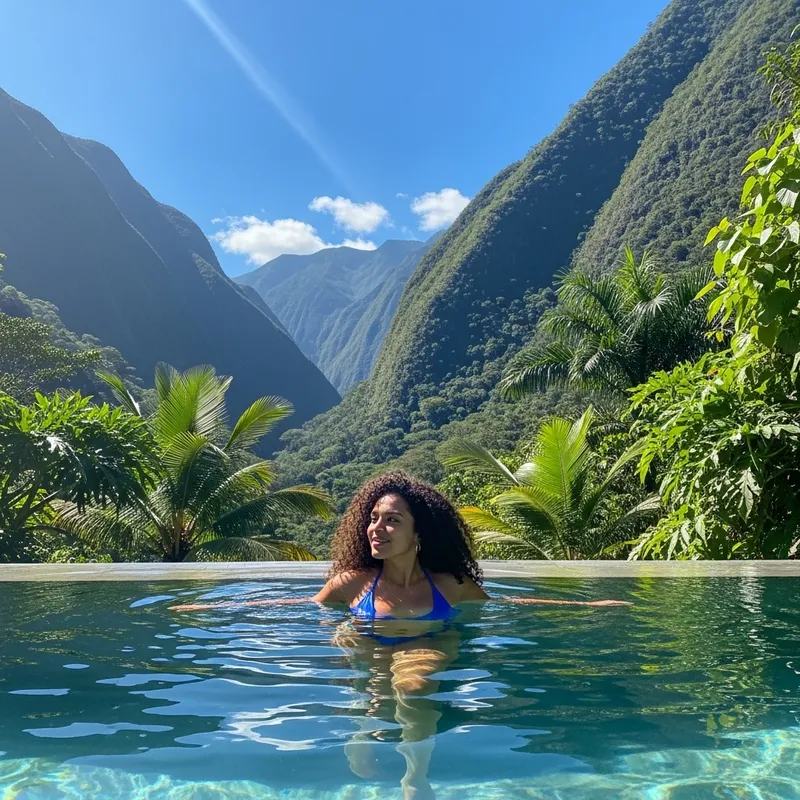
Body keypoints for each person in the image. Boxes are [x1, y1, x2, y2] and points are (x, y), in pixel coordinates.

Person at [171, 472, 630, 799]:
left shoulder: (449, 585)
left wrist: (585, 606)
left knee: (411, 684)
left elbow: (508, 606)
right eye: (373, 518)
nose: (377, 528)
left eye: (392, 520)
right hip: (369, 647)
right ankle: (367, 716)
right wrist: (214, 607)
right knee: (369, 678)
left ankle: (416, 777)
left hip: (428, 642)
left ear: (418, 533)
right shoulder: (353, 582)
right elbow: (297, 609)